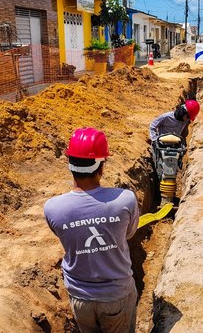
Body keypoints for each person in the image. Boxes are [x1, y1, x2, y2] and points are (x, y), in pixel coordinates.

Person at [44, 127, 139, 333]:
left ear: (70, 165)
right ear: (101, 167)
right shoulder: (126, 199)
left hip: (80, 298)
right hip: (117, 296)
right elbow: (128, 234)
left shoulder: (52, 207)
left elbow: (65, 236)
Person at [149, 99, 200, 165]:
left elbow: (184, 133)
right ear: (183, 112)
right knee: (157, 160)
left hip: (175, 144)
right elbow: (152, 126)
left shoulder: (185, 120)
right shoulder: (166, 117)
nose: (188, 119)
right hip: (161, 143)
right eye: (188, 117)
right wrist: (154, 140)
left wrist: (183, 144)